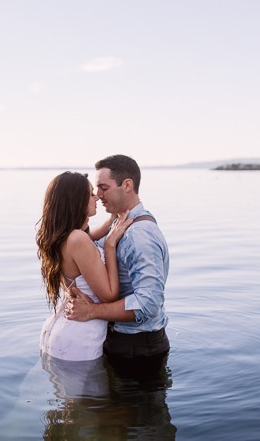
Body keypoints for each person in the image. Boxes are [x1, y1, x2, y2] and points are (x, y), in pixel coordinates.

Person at [66, 154, 170, 381]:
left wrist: (92, 311)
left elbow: (148, 304)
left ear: (127, 185)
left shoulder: (139, 234)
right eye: (97, 189)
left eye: (103, 188)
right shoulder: (117, 223)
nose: (98, 195)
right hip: (118, 341)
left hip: (138, 348)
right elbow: (88, 250)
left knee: (137, 416)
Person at [36, 170, 132, 361]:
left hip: (63, 328)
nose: (96, 197)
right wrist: (110, 245)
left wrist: (114, 217)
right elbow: (110, 294)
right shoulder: (78, 240)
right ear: (76, 201)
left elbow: (91, 237)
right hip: (79, 336)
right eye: (90, 193)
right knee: (86, 392)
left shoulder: (65, 236)